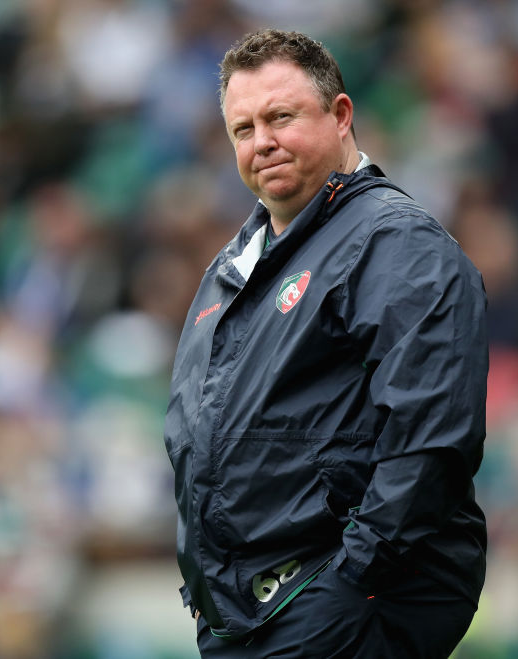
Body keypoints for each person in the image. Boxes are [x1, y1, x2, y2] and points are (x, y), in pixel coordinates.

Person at [164, 29, 488, 658]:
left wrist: (353, 579)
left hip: (335, 602)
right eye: (243, 129)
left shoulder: (393, 242)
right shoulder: (237, 263)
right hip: (248, 612)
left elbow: (431, 437)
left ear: (340, 116)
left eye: (281, 117)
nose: (262, 141)